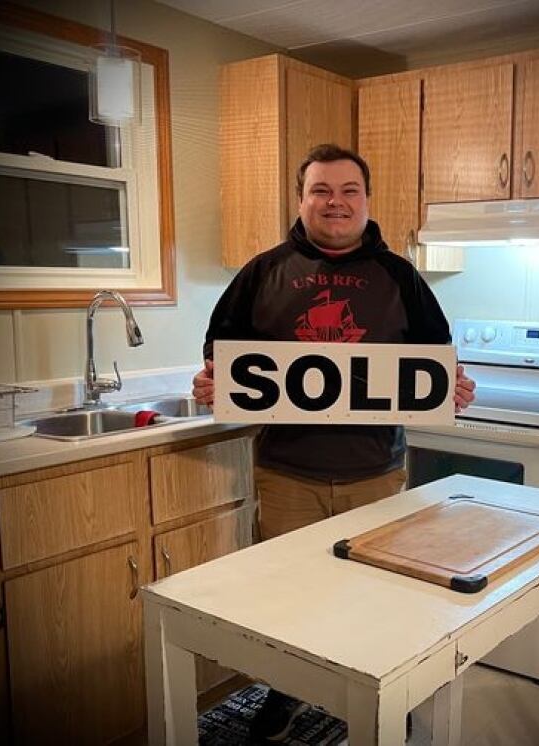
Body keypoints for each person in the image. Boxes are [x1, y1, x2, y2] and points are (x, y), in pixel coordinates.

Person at [193, 143, 475, 741]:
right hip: (287, 470)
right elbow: (220, 352)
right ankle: (289, 690)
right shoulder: (262, 272)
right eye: (321, 190)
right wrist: (210, 380)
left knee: (375, 593)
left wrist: (454, 384)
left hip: (375, 469)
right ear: (302, 199)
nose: (335, 202)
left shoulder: (399, 275)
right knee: (293, 597)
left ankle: (379, 693)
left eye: (349, 191)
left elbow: (436, 355)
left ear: (367, 202)